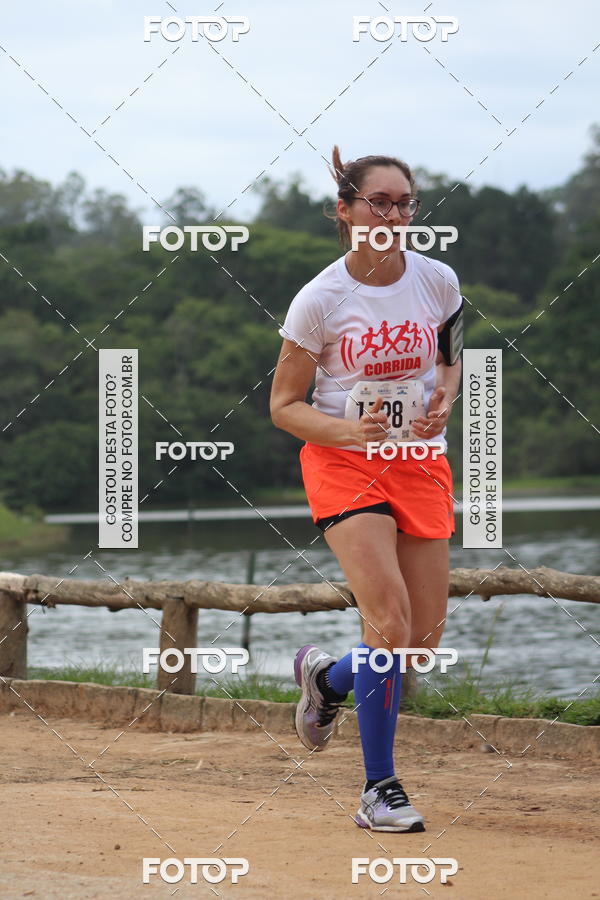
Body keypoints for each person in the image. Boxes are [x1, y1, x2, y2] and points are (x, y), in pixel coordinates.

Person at [269, 146, 463, 833]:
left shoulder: (437, 279)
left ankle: (327, 680)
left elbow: (449, 358)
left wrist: (442, 397)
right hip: (344, 464)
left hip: (420, 463)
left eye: (404, 203)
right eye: (378, 202)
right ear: (346, 211)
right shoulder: (320, 299)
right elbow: (284, 406)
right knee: (387, 618)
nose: (393, 214)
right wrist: (347, 432)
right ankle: (378, 790)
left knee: (421, 641)